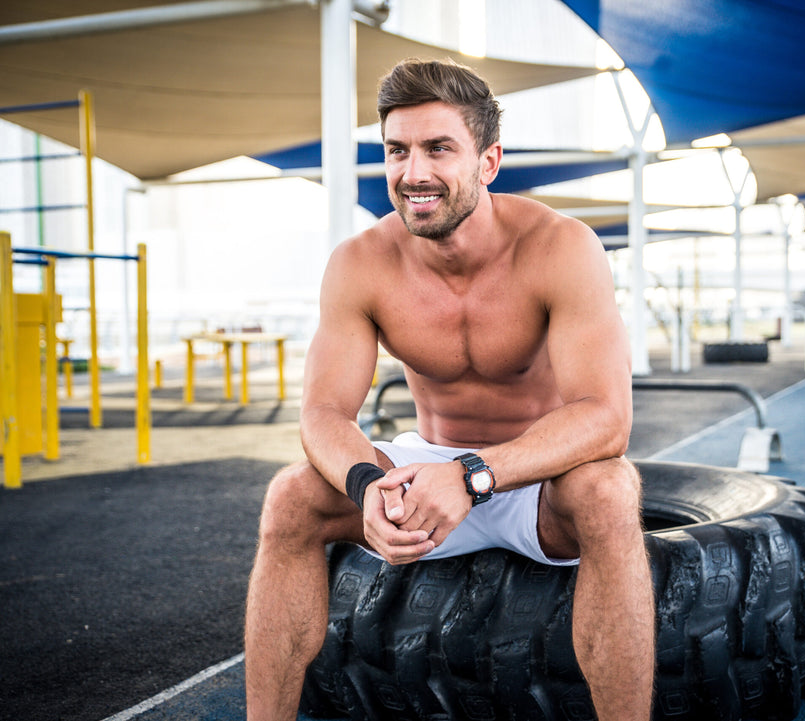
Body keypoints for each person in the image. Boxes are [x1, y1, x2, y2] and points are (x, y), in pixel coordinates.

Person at [245, 58, 655, 720]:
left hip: (535, 481)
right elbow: (322, 412)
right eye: (397, 150)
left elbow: (606, 419)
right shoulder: (360, 264)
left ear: (489, 161)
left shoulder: (560, 248)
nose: (413, 173)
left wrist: (472, 477)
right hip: (427, 473)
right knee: (291, 494)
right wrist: (363, 485)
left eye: (439, 148)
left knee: (610, 489)